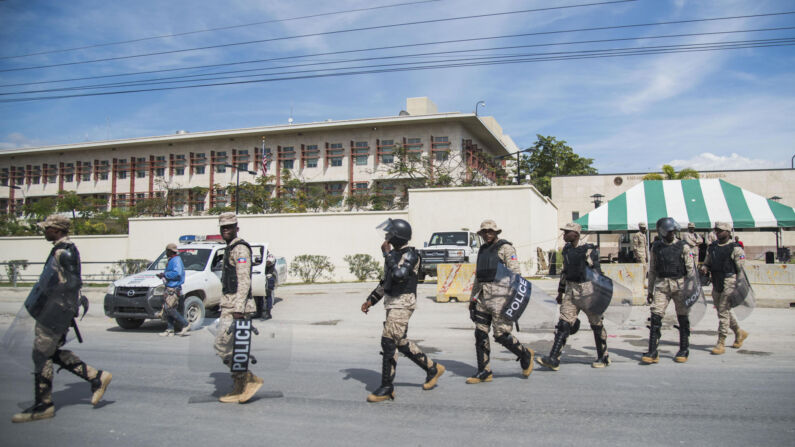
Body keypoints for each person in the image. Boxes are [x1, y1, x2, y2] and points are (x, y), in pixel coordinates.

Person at [12, 215, 112, 423]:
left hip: (54, 314)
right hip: (53, 311)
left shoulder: (65, 252)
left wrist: (59, 305)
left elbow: (73, 283)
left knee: (41, 354)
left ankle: (44, 405)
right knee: (48, 353)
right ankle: (96, 376)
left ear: (56, 230)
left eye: (47, 229)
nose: (44, 232)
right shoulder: (61, 249)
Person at [361, 218, 445, 402]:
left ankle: (386, 387)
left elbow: (399, 275)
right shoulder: (394, 256)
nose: (386, 236)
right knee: (399, 341)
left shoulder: (411, 255)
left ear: (398, 236)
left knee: (388, 341)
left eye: (389, 233)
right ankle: (432, 368)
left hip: (403, 302)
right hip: (392, 302)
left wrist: (387, 255)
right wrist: (371, 300)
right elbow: (387, 281)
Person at [466, 219, 534, 384]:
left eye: (490, 231)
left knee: (501, 334)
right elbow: (478, 277)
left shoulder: (506, 248)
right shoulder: (482, 250)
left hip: (501, 296)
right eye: (484, 232)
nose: (487, 234)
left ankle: (525, 354)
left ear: (496, 233)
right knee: (480, 333)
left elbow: (515, 274)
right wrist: (472, 299)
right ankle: (484, 371)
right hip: (483, 296)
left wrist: (512, 299)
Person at [537, 222, 610, 371]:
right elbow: (565, 271)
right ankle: (553, 358)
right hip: (571, 290)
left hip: (587, 290)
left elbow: (597, 273)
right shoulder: (567, 249)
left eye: (567, 232)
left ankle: (603, 357)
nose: (564, 234)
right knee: (564, 323)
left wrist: (599, 295)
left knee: (596, 324)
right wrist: (560, 291)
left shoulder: (588, 250)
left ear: (575, 234)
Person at [214, 212, 263, 403]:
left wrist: (238, 308)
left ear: (237, 228)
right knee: (235, 348)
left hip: (236, 307)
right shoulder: (229, 248)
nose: (226, 230)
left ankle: (248, 378)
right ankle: (240, 385)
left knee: (222, 345)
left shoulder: (240, 249)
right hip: (230, 304)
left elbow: (244, 281)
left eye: (229, 227)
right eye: (223, 227)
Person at [642, 218, 696, 364]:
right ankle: (653, 351)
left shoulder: (683, 247)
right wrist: (650, 291)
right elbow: (652, 269)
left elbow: (691, 270)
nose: (672, 234)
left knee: (683, 318)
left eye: (673, 231)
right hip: (662, 285)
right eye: (669, 232)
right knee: (655, 317)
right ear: (662, 232)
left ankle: (684, 349)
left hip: (680, 284)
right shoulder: (656, 247)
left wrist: (691, 289)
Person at [701, 222, 749, 355]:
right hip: (716, 280)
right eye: (717, 230)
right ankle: (739, 332)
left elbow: (740, 269)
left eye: (721, 230)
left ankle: (721, 342)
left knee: (723, 311)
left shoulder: (735, 248)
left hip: (729, 280)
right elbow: (707, 262)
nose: (718, 233)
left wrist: (738, 286)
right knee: (723, 311)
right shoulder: (713, 247)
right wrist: (704, 268)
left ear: (728, 232)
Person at [156, 243, 190, 337]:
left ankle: (185, 324)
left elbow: (177, 273)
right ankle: (170, 330)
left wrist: (165, 275)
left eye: (167, 251)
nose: (166, 253)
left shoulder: (176, 260)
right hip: (170, 286)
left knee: (169, 308)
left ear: (170, 251)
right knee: (169, 309)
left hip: (174, 287)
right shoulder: (172, 260)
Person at [632, 222, 649, 288]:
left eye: (645, 228)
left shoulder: (644, 235)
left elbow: (645, 246)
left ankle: (643, 282)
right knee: (642, 268)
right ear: (640, 228)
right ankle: (640, 283)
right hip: (640, 254)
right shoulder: (637, 235)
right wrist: (637, 255)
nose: (644, 229)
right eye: (643, 228)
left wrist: (647, 256)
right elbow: (635, 246)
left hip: (644, 254)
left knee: (645, 269)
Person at [264, 253, 276, 320]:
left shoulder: (270, 257)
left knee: (268, 295)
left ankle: (268, 312)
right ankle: (260, 312)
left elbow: (270, 262)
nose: (267, 263)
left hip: (269, 278)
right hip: (265, 277)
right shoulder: (264, 257)